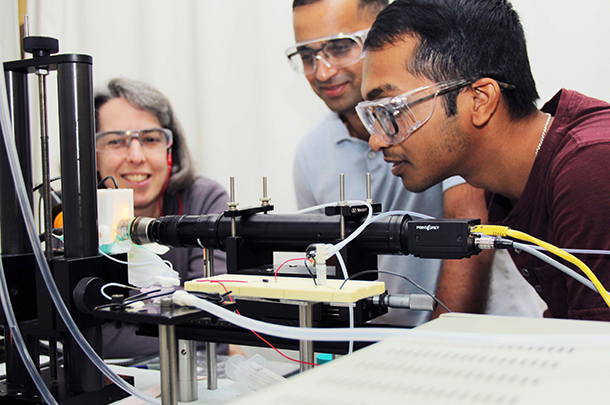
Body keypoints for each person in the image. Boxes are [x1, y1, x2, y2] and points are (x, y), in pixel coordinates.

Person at [287, 0, 544, 325]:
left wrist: (432, 350)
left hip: (481, 334)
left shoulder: (445, 123)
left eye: (340, 47)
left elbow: (468, 223)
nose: (322, 71)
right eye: (308, 56)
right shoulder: (310, 152)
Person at [360, 0, 610, 320]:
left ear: (479, 100)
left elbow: (597, 351)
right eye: (373, 117)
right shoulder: (504, 187)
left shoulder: (590, 167)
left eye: (392, 110)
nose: (377, 139)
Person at [94, 78, 231, 357]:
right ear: (89, 155)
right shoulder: (65, 219)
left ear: (171, 149)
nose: (136, 156)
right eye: (116, 141)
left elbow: (212, 320)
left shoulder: (203, 201)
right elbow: (71, 334)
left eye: (150, 139)